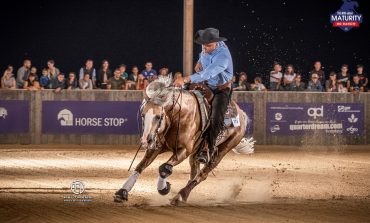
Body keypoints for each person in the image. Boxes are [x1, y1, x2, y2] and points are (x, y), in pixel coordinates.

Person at [174, 27, 233, 164]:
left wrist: (186, 78)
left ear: (216, 43)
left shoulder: (223, 56)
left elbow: (209, 73)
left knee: (216, 118)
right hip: (206, 84)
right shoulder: (206, 47)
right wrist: (199, 62)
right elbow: (203, 58)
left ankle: (208, 149)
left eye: (209, 45)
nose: (205, 48)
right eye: (204, 45)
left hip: (220, 88)